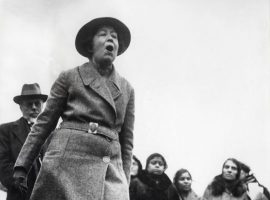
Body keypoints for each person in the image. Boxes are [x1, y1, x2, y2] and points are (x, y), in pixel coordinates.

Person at [13, 17, 135, 200]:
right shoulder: (70, 77)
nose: (111, 39)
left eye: (115, 37)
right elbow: (44, 123)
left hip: (109, 170)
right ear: (90, 45)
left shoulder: (126, 88)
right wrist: (22, 165)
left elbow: (127, 142)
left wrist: (124, 181)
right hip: (67, 165)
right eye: (103, 34)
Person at [0, 83, 47, 200]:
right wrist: (18, 181)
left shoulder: (52, 132)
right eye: (29, 104)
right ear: (21, 107)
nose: (34, 107)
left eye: (37, 103)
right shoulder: (6, 130)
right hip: (20, 195)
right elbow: (2, 163)